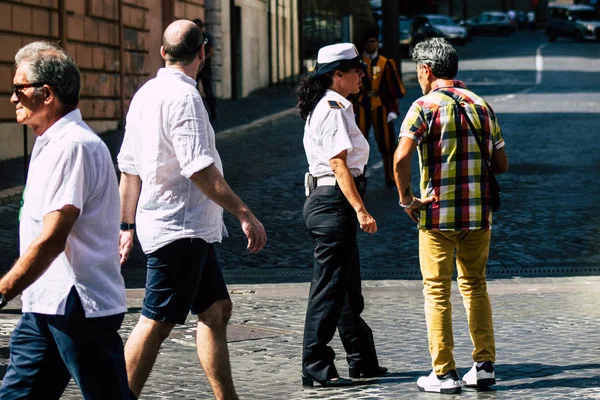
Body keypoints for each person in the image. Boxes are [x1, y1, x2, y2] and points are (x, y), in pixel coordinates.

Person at [117, 20, 266, 400]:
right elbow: (198, 167)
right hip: (179, 229)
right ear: (204, 52)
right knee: (154, 322)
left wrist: (126, 224)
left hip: (179, 227)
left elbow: (129, 169)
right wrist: (243, 212)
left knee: (216, 310)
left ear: (163, 53)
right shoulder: (185, 97)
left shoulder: (145, 94)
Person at [0, 41, 133, 399]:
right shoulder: (51, 142)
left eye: (19, 88)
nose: (12, 97)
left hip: (77, 304)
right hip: (44, 301)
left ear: (47, 94)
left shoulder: (74, 145)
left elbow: (53, 238)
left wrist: (3, 288)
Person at [393, 38, 508, 394]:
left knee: (437, 291)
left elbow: (400, 160)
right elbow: (501, 164)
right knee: (475, 286)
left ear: (427, 70)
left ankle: (444, 373)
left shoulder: (423, 107)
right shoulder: (481, 105)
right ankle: (484, 366)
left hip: (437, 215)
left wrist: (407, 200)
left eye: (418, 71)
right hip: (478, 214)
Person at [297, 43, 387, 388]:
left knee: (348, 289)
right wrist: (360, 209)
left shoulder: (331, 106)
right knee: (329, 289)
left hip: (330, 202)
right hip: (333, 202)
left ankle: (362, 360)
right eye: (356, 70)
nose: (362, 75)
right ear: (338, 75)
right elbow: (338, 164)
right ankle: (315, 365)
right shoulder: (333, 107)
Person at [355, 31, 405, 186]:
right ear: (364, 44)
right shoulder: (356, 63)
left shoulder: (386, 62)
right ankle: (357, 176)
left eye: (374, 41)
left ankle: (390, 174)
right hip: (361, 103)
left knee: (387, 141)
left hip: (381, 104)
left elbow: (394, 88)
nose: (371, 44)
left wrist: (393, 109)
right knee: (357, 141)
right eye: (369, 41)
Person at [193, 18, 217, 121]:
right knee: (194, 90)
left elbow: (211, 52)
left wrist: (202, 59)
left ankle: (213, 112)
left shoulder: (207, 38)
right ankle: (198, 112)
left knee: (208, 91)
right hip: (197, 68)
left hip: (205, 67)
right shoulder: (194, 38)